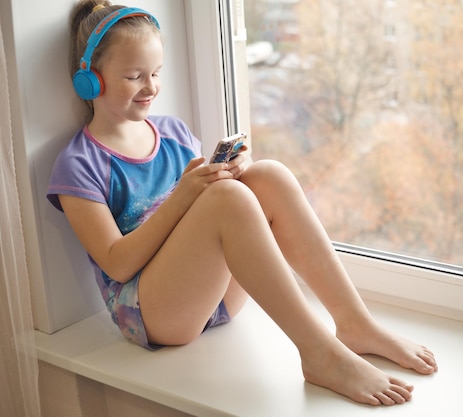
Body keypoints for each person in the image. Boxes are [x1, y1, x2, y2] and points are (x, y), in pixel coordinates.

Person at [48, 0, 438, 407]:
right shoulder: (79, 164)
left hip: (210, 298)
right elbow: (117, 262)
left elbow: (202, 226)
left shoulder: (173, 133)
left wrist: (230, 175)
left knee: (268, 176)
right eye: (134, 76)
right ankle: (318, 352)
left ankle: (356, 323)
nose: (151, 87)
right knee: (227, 199)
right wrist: (187, 196)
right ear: (90, 80)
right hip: (151, 314)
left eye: (156, 73)